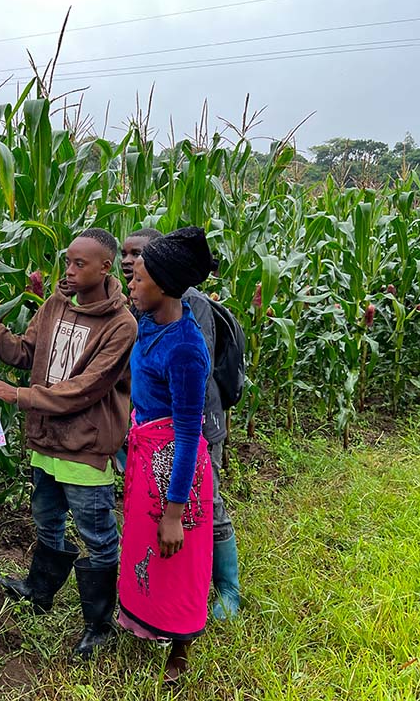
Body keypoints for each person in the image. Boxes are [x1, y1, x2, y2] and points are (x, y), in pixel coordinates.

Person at [0, 229, 137, 658]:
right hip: (45, 440)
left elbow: (86, 389)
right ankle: (39, 590)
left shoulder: (121, 325)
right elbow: (24, 353)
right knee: (47, 519)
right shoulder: (55, 305)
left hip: (85, 446)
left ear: (105, 267)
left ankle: (99, 623)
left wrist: (20, 396)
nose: (69, 271)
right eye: (68, 262)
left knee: (97, 534)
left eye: (80, 264)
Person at [121, 227, 241, 619]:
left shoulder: (188, 318)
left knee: (203, 508)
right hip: (154, 434)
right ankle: (153, 599)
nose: (128, 267)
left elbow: (192, 382)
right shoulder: (148, 312)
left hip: (196, 424)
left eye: (137, 259)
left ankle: (226, 589)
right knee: (159, 518)